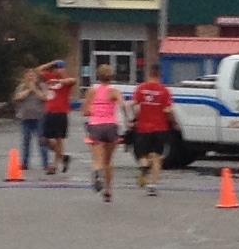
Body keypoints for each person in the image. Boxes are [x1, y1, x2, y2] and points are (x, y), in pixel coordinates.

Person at [82, 69, 126, 202]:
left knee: (97, 159)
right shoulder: (114, 92)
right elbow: (123, 105)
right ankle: (108, 190)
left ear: (98, 76)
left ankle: (97, 172)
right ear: (111, 77)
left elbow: (85, 111)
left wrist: (95, 111)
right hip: (111, 126)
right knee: (108, 160)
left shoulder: (91, 91)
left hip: (95, 125)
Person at [130, 69, 177, 194]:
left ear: (149, 74)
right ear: (160, 76)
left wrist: (133, 118)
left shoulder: (141, 88)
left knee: (143, 155)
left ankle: (144, 165)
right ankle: (152, 185)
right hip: (160, 128)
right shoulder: (164, 91)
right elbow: (168, 110)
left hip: (143, 128)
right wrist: (174, 122)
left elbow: (132, 104)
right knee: (157, 157)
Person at [13, 71, 49, 176]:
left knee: (42, 142)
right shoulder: (21, 87)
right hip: (25, 118)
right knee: (26, 142)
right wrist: (29, 89)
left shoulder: (42, 86)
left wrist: (35, 90)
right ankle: (24, 163)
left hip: (39, 118)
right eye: (29, 76)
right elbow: (17, 97)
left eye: (33, 76)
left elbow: (45, 97)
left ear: (37, 77)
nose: (31, 78)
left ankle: (46, 163)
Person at [40, 66, 74, 175]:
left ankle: (54, 165)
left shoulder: (66, 81)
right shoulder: (50, 77)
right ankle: (63, 157)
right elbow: (37, 70)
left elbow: (72, 80)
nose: (57, 71)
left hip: (61, 113)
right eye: (55, 69)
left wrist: (59, 80)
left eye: (59, 68)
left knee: (59, 139)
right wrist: (51, 63)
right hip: (49, 112)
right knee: (44, 140)